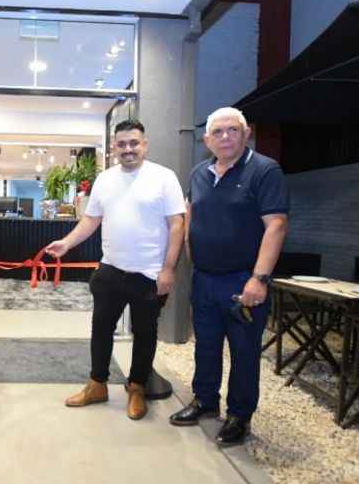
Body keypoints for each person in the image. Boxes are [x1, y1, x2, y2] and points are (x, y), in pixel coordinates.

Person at [46, 119, 185, 421]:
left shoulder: (164, 178)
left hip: (149, 274)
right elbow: (91, 220)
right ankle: (97, 385)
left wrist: (168, 269)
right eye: (121, 144)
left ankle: (137, 388)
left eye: (134, 143)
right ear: (114, 148)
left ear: (144, 145)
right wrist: (66, 243)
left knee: (144, 333)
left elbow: (177, 225)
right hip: (110, 270)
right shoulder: (105, 180)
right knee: (100, 328)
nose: (128, 149)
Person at [170, 107, 288, 445]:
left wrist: (260, 279)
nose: (225, 137)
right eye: (218, 132)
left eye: (233, 130)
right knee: (206, 346)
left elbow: (277, 225)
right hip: (204, 279)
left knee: (244, 352)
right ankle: (205, 401)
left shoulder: (265, 170)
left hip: (243, 281)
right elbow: (190, 213)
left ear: (246, 133)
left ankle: (239, 416)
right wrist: (193, 255)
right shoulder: (199, 173)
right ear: (207, 140)